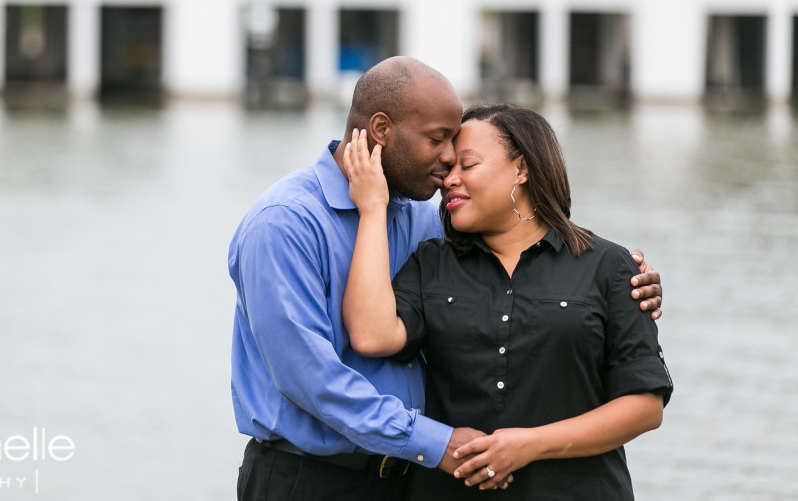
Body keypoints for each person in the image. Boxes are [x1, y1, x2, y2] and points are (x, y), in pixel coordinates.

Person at [229, 57, 663, 501]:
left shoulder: (429, 219)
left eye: (458, 151)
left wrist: (623, 277)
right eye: (438, 140)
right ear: (381, 130)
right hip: (313, 479)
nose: (448, 161)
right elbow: (310, 378)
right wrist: (435, 443)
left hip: (411, 480)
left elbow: (527, 244)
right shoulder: (283, 224)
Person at [342, 102, 673, 499]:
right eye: (449, 170)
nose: (450, 180)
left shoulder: (610, 266)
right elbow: (371, 335)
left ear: (522, 168)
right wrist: (373, 209)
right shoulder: (431, 262)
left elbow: (644, 405)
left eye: (468, 165)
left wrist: (528, 445)